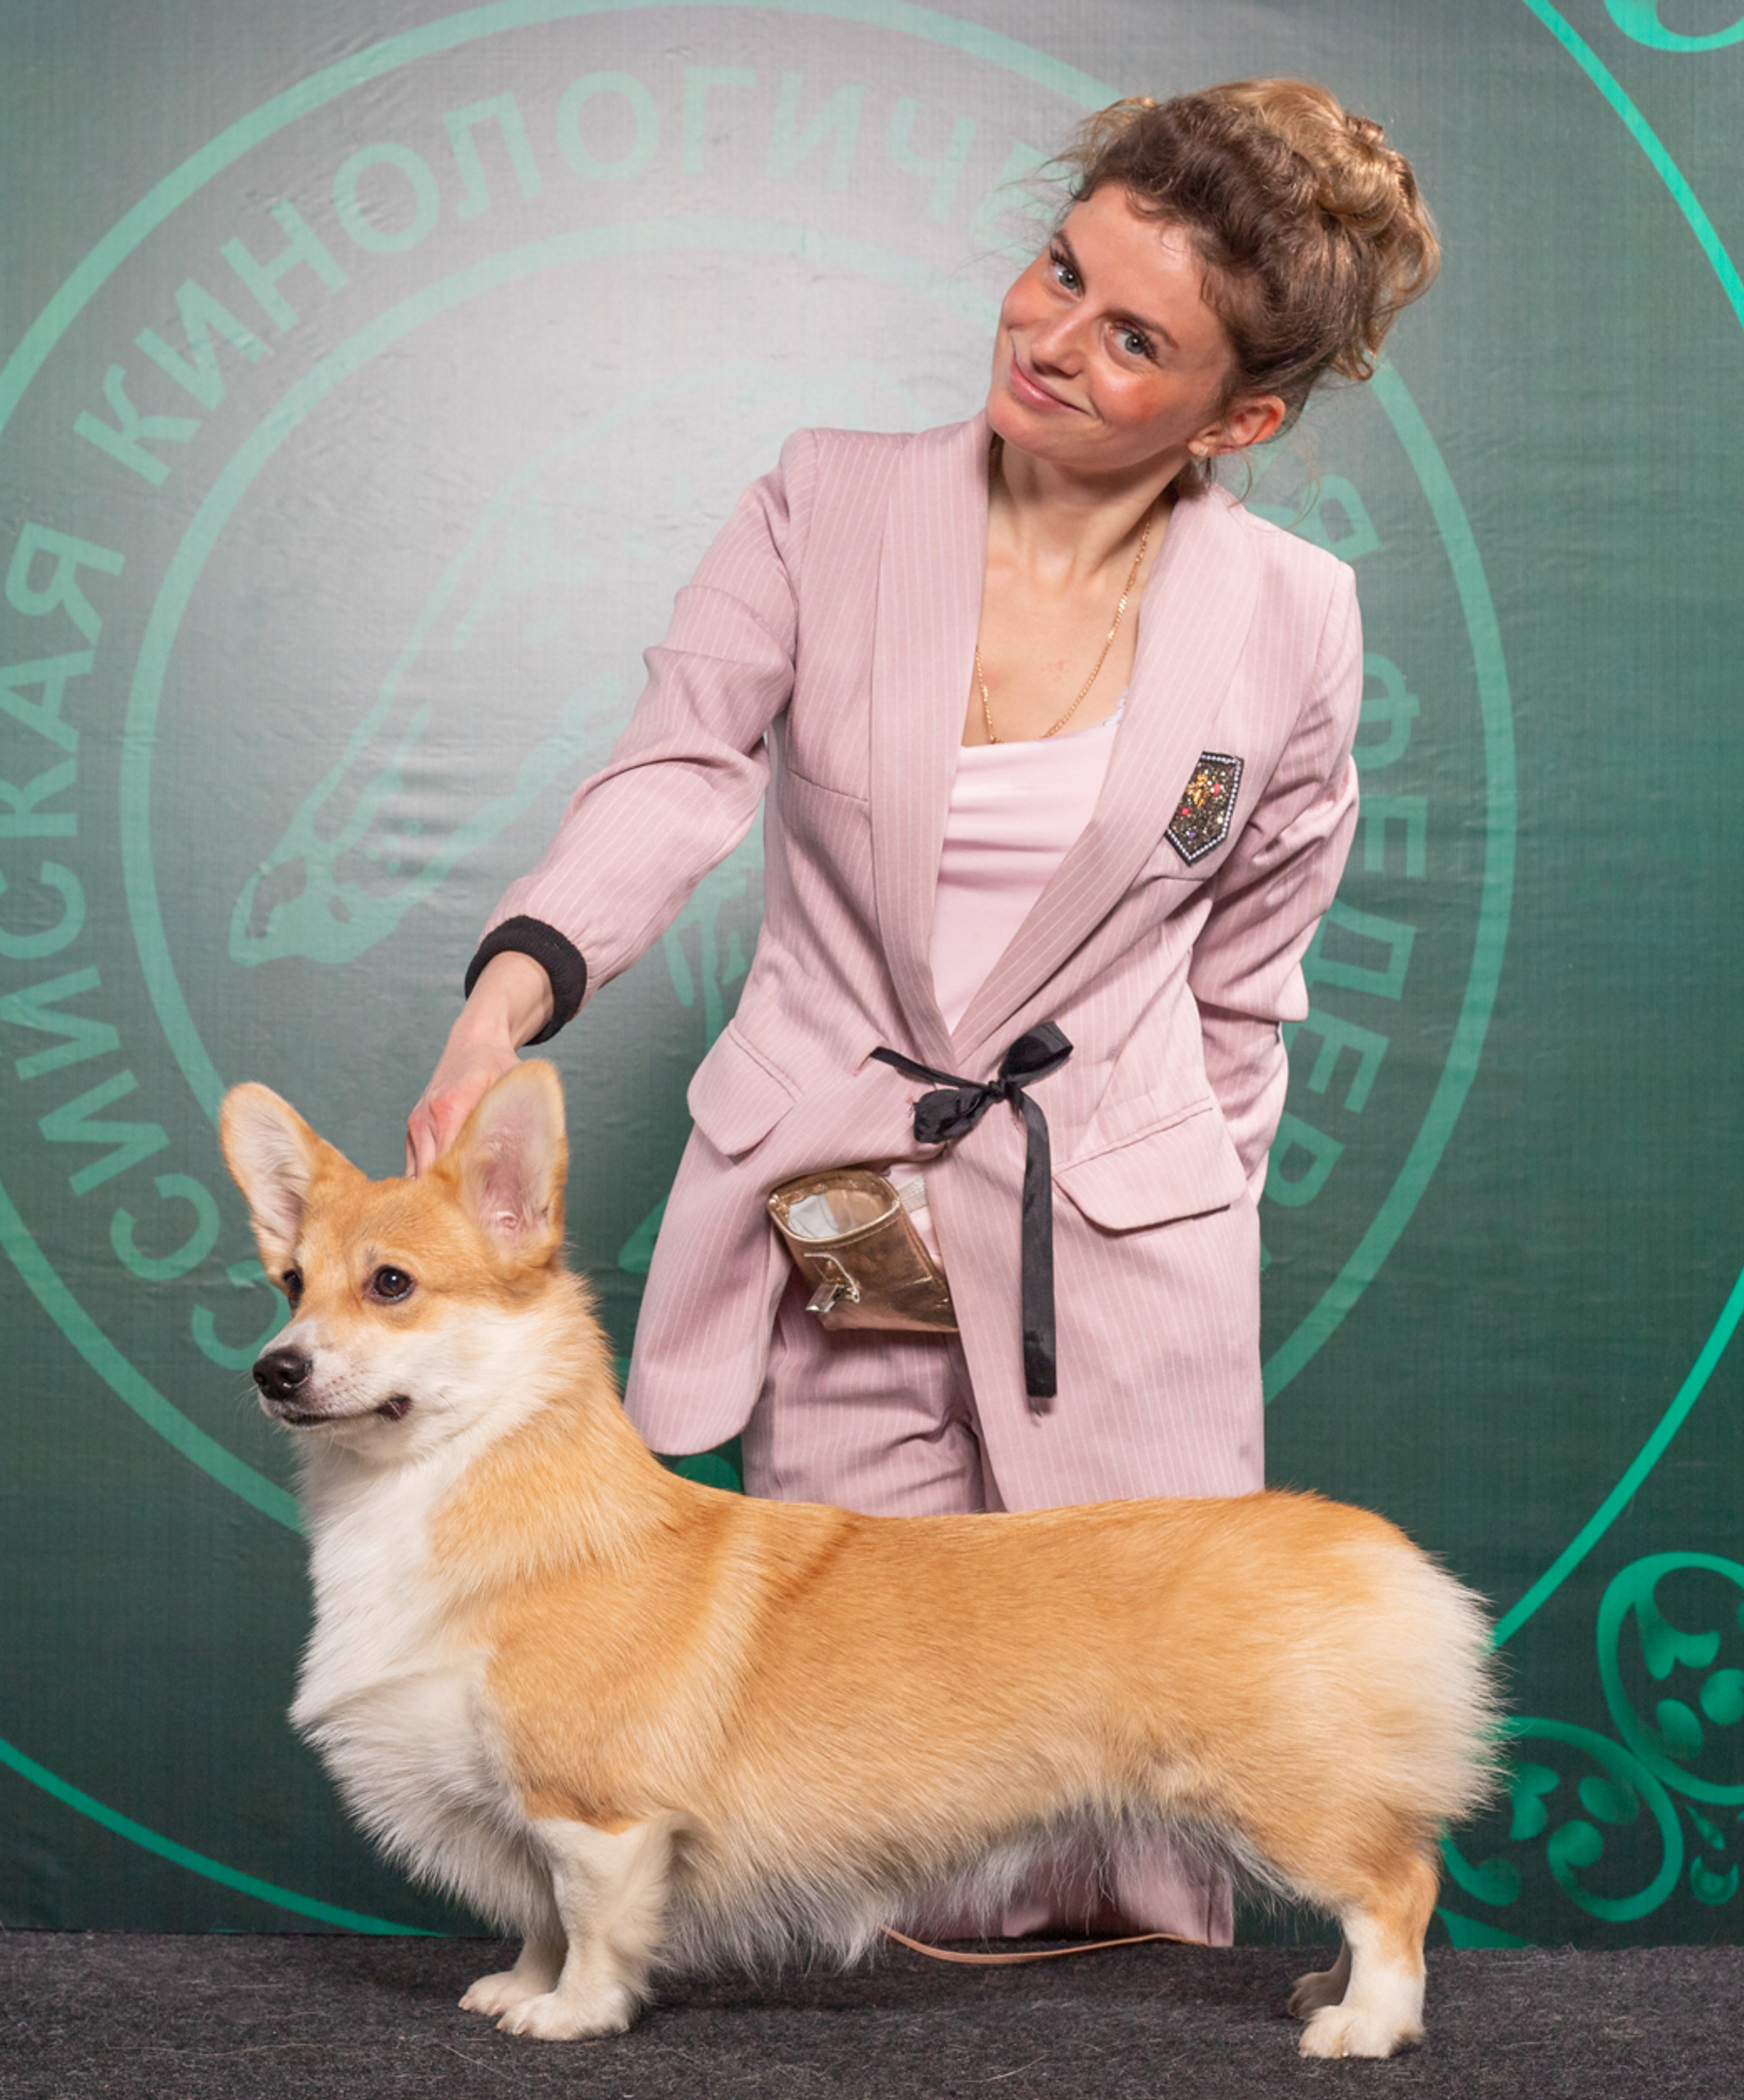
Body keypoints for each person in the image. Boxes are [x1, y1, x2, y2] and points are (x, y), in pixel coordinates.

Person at [406, 80, 1439, 1943]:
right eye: (1059, 269)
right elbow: (677, 764)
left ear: (1242, 417)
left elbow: (1245, 976)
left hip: (1117, 1229)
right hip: (845, 1193)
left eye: (1134, 339)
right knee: (871, 1725)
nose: (1050, 336)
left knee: (1151, 1741)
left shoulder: (1296, 614)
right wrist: (513, 993)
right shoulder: (827, 501)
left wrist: (1181, 1204)